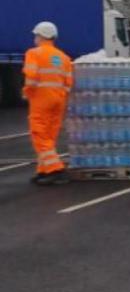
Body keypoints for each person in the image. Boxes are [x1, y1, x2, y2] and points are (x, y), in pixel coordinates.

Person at [23, 21, 72, 185]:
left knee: (39, 134)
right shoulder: (63, 57)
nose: (34, 38)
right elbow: (68, 82)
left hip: (41, 99)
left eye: (36, 35)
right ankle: (43, 170)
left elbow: (31, 76)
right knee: (49, 136)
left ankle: (55, 169)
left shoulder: (34, 53)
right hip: (59, 99)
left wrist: (27, 92)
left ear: (41, 36)